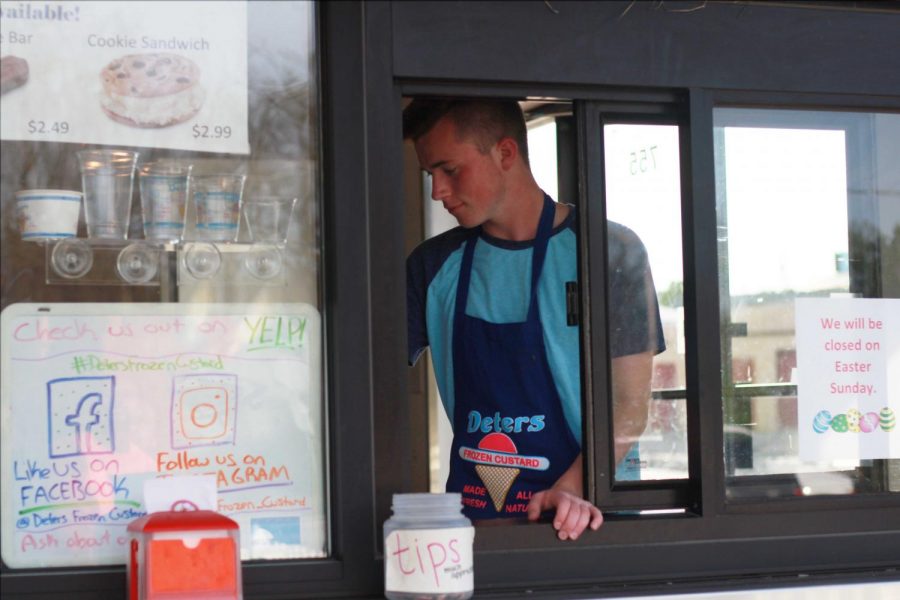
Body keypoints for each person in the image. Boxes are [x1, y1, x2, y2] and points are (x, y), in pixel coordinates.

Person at [405, 98, 664, 541]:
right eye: (431, 175)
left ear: (505, 153)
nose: (438, 191)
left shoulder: (608, 252)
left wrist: (572, 489)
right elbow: (368, 397)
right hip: (482, 521)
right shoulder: (433, 266)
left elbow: (629, 406)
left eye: (450, 170)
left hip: (595, 514)